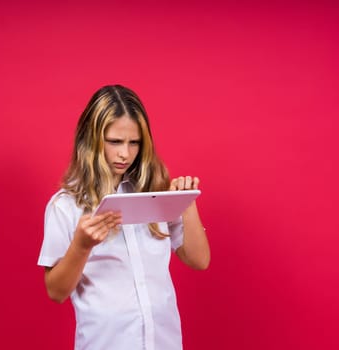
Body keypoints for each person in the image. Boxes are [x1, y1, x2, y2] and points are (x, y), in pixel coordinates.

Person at [37, 85, 210, 350]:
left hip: (164, 343)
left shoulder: (155, 192)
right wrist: (82, 246)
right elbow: (56, 291)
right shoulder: (66, 205)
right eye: (115, 141)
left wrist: (187, 203)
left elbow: (199, 260)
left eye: (134, 143)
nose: (125, 154)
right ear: (91, 139)